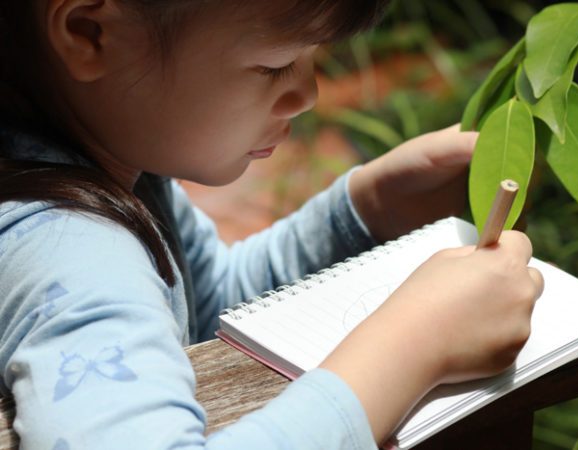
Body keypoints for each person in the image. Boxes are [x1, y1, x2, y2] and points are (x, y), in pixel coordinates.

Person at [0, 1, 544, 449]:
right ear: (90, 32)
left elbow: (204, 303)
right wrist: (418, 345)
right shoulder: (72, 251)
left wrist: (367, 211)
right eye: (274, 64)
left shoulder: (109, 162)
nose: (307, 94)